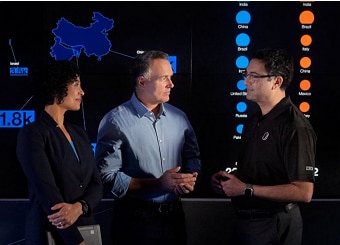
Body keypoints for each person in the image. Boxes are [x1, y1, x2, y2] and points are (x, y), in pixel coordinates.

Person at [211, 48, 317, 245]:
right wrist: (227, 182)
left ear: (277, 81)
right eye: (246, 75)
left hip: (274, 224)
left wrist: (246, 189)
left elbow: (304, 192)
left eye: (254, 76)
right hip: (247, 221)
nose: (245, 82)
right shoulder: (255, 120)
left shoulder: (295, 126)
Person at [95, 50, 201, 245]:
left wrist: (189, 178)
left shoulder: (180, 118)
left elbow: (192, 158)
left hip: (174, 220)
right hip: (134, 222)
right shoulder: (115, 121)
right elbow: (106, 178)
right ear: (142, 82)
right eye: (164, 79)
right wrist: (158, 184)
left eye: (171, 77)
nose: (172, 84)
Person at [16, 60, 103, 245]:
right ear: (58, 87)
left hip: (87, 230)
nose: (82, 92)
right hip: (51, 234)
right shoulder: (32, 133)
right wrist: (77, 242)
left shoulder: (79, 133)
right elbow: (48, 194)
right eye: (76, 84)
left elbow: (96, 185)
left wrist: (80, 207)